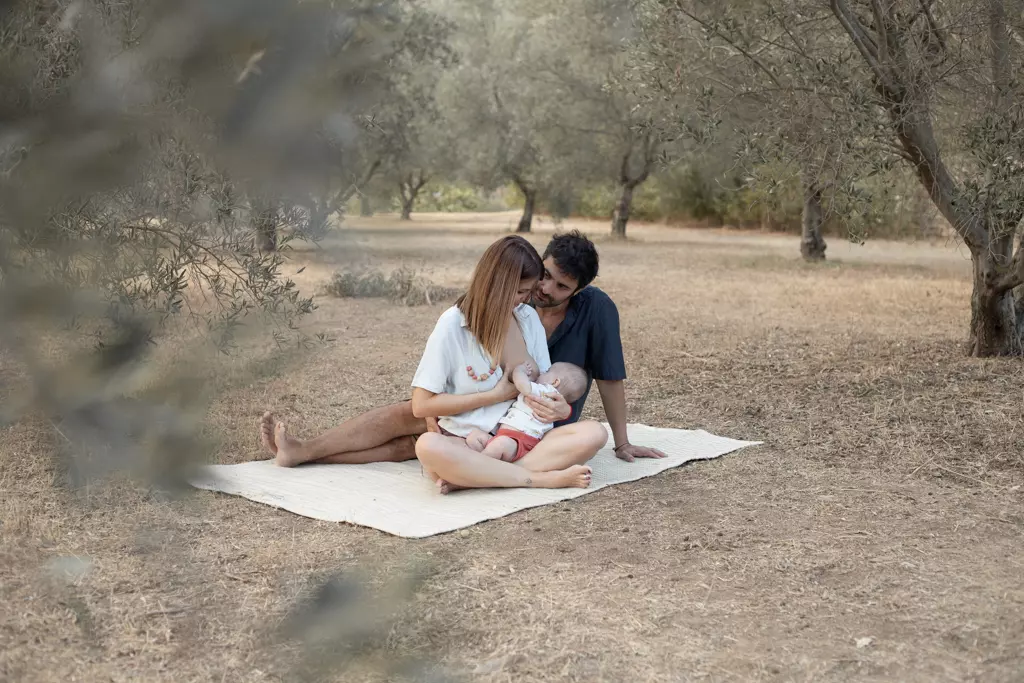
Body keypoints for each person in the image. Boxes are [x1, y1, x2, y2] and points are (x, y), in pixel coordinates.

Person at [258, 230, 665, 469]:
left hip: (528, 416)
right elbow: (435, 395)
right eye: (542, 279)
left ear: (579, 290)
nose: (542, 292)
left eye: (560, 287)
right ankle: (305, 453)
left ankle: (307, 454)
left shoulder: (586, 311)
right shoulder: (474, 316)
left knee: (421, 437)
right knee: (412, 420)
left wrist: (620, 440)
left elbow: (607, 377)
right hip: (480, 405)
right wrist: (457, 406)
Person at [408, 235, 604, 490]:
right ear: (498, 284)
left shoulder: (526, 317)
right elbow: (421, 405)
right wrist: (495, 395)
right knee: (427, 446)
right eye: (521, 291)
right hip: (466, 441)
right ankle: (538, 479)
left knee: (595, 433)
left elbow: (540, 382)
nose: (525, 299)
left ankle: (475, 477)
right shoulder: (452, 324)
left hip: (519, 439)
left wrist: (561, 410)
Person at [466, 361, 587, 463]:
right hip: (506, 437)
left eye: (547, 371)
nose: (543, 372)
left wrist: (520, 370)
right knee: (474, 436)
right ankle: (490, 464)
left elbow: (522, 385)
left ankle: (477, 469)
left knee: (499, 445)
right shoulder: (552, 400)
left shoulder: (545, 392)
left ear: (555, 382)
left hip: (520, 441)